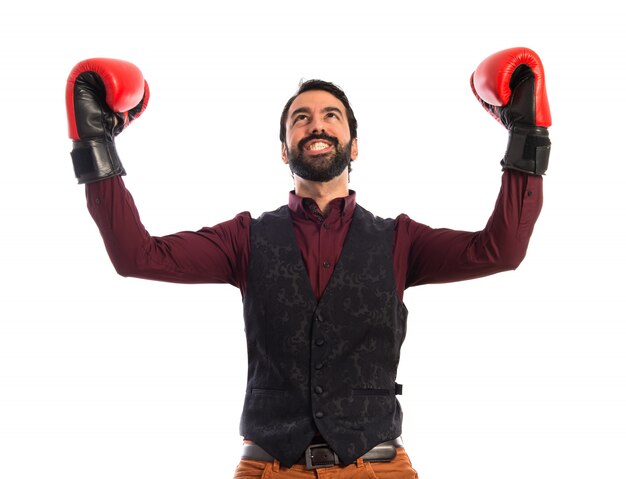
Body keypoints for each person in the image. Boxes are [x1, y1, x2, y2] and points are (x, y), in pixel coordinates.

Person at [66, 47, 551, 478]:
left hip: (378, 467)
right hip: (269, 467)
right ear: (284, 149)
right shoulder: (245, 238)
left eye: (331, 115)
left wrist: (526, 135)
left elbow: (501, 250)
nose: (316, 124)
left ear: (353, 145)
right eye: (301, 118)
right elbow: (137, 256)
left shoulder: (400, 240)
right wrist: (95, 145)